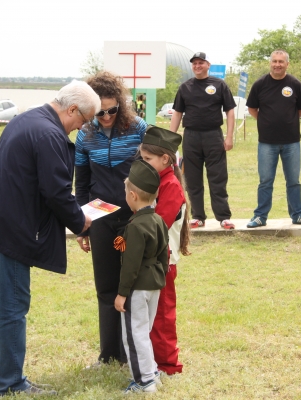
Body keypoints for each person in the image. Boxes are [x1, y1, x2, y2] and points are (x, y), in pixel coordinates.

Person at [0, 81, 99, 396]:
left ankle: (5, 377)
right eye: (83, 121)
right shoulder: (49, 133)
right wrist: (82, 223)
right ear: (72, 109)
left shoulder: (28, 118)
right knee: (12, 307)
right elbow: (56, 192)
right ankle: (10, 384)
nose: (81, 128)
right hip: (10, 230)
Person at [75, 71, 147, 366]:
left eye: (112, 110)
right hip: (100, 217)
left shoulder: (138, 128)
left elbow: (152, 172)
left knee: (135, 287)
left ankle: (135, 353)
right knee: (106, 287)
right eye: (100, 111)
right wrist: (81, 226)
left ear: (122, 104)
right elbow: (81, 184)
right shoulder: (84, 133)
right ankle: (109, 354)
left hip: (134, 218)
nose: (106, 116)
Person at [114, 159, 169, 394]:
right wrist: (160, 278)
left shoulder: (135, 226)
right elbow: (165, 255)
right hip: (154, 284)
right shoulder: (158, 220)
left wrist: (121, 294)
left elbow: (130, 265)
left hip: (137, 287)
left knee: (134, 335)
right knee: (143, 331)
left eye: (126, 192)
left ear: (133, 196)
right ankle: (152, 372)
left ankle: (144, 381)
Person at [140, 125, 189, 376]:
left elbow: (156, 226)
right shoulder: (154, 180)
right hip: (149, 260)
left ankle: (168, 365)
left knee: (162, 317)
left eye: (147, 159)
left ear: (165, 159)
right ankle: (151, 361)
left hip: (162, 262)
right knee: (149, 316)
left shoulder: (170, 186)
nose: (143, 163)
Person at [245, 50, 301, 228]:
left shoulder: (295, 84)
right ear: (270, 63)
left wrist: (286, 121)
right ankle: (260, 216)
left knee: (293, 181)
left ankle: (297, 215)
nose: (277, 64)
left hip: (291, 142)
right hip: (267, 142)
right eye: (274, 61)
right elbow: (252, 109)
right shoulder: (260, 84)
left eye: (281, 62)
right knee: (265, 181)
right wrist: (267, 121)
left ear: (287, 64)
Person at [170, 52, 236, 230]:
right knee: (192, 179)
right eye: (194, 63)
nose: (197, 66)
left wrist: (229, 137)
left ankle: (223, 217)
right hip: (191, 137)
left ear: (208, 65)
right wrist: (170, 138)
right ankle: (198, 216)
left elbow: (230, 111)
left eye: (201, 63)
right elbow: (177, 113)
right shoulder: (185, 87)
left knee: (218, 177)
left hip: (213, 136)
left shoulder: (219, 85)